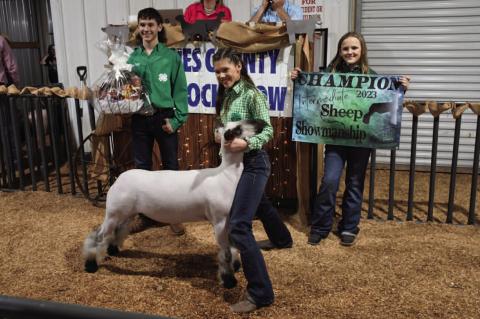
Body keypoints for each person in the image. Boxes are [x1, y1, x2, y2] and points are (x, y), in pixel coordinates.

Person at [291, 32, 410, 246]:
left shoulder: (372, 76)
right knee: (329, 181)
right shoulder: (330, 73)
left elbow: (386, 101)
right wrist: (299, 78)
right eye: (345, 48)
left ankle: (349, 226)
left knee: (355, 183)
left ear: (362, 50)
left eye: (354, 48)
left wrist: (401, 89)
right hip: (336, 140)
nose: (350, 52)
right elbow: (312, 90)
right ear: (339, 51)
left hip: (360, 141)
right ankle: (321, 226)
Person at [213, 47, 292, 313]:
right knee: (260, 203)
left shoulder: (252, 95)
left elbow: (267, 129)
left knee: (238, 226)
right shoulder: (225, 95)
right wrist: (219, 134)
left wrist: (246, 143)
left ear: (238, 66)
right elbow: (223, 125)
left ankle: (261, 293)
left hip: (253, 164)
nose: (222, 75)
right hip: (235, 166)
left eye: (226, 69)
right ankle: (282, 239)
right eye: (217, 71)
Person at [127, 7, 188, 235]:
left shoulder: (171, 57)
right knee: (141, 169)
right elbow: (126, 89)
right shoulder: (132, 58)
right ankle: (144, 216)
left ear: (159, 27)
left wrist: (177, 120)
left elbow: (180, 91)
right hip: (139, 118)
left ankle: (174, 217)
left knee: (171, 168)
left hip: (165, 118)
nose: (146, 29)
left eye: (151, 25)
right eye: (142, 24)